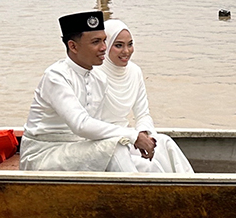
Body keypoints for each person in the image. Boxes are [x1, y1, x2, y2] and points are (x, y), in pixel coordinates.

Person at [20, 10, 156, 172]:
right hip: (44, 154)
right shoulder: (56, 76)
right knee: (114, 148)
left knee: (147, 166)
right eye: (96, 42)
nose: (104, 48)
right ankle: (137, 195)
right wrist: (133, 136)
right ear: (73, 46)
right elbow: (81, 124)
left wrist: (137, 137)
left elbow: (97, 126)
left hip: (78, 149)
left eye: (105, 41)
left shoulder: (98, 78)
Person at [99, 19, 195, 173]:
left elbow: (143, 113)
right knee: (149, 166)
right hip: (107, 142)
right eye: (118, 45)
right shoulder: (95, 74)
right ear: (106, 46)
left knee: (165, 142)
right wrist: (133, 137)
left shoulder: (135, 72)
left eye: (130, 44)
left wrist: (143, 134)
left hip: (128, 138)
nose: (126, 51)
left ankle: (191, 185)